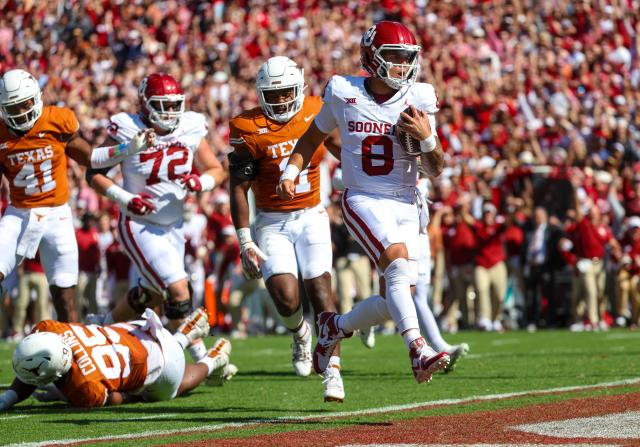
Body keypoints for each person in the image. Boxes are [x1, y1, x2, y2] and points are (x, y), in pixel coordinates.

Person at [278, 21, 450, 384]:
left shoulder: (418, 98)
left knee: (394, 299)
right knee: (398, 267)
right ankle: (418, 350)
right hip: (363, 197)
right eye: (395, 58)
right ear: (372, 58)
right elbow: (312, 138)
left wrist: (427, 140)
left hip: (407, 201)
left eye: (407, 58)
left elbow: (435, 170)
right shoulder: (344, 92)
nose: (403, 66)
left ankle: (333, 327)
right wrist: (291, 172)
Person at [228, 56, 344, 402]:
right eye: (272, 94)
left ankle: (334, 372)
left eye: (285, 92)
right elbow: (238, 186)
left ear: (300, 88)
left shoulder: (315, 109)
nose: (280, 100)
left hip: (311, 213)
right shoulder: (246, 126)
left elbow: (342, 148)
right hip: (271, 220)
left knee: (321, 287)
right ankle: (300, 334)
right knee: (285, 296)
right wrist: (245, 240)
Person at [85, 73, 224, 362]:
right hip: (139, 224)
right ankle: (197, 355)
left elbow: (215, 168)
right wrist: (126, 199)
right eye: (162, 105)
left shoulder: (190, 126)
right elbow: (94, 172)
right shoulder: (127, 128)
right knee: (177, 288)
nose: (170, 112)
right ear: (145, 104)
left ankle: (102, 326)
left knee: (152, 295)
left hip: (174, 225)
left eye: (175, 105)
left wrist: (203, 183)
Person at [0, 307, 236, 410]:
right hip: (138, 329)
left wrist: (62, 395)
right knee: (122, 343)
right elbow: (39, 363)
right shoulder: (51, 328)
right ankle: (183, 335)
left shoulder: (85, 389)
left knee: (168, 390)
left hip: (161, 364)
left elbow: (116, 398)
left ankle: (212, 359)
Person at [0, 68, 93, 322]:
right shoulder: (1, 132)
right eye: (13, 107)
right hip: (19, 213)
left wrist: (119, 153)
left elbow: (91, 157)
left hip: (57, 214)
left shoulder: (56, 120)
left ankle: (77, 357)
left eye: (24, 104)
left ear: (36, 97)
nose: (20, 112)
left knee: (65, 300)